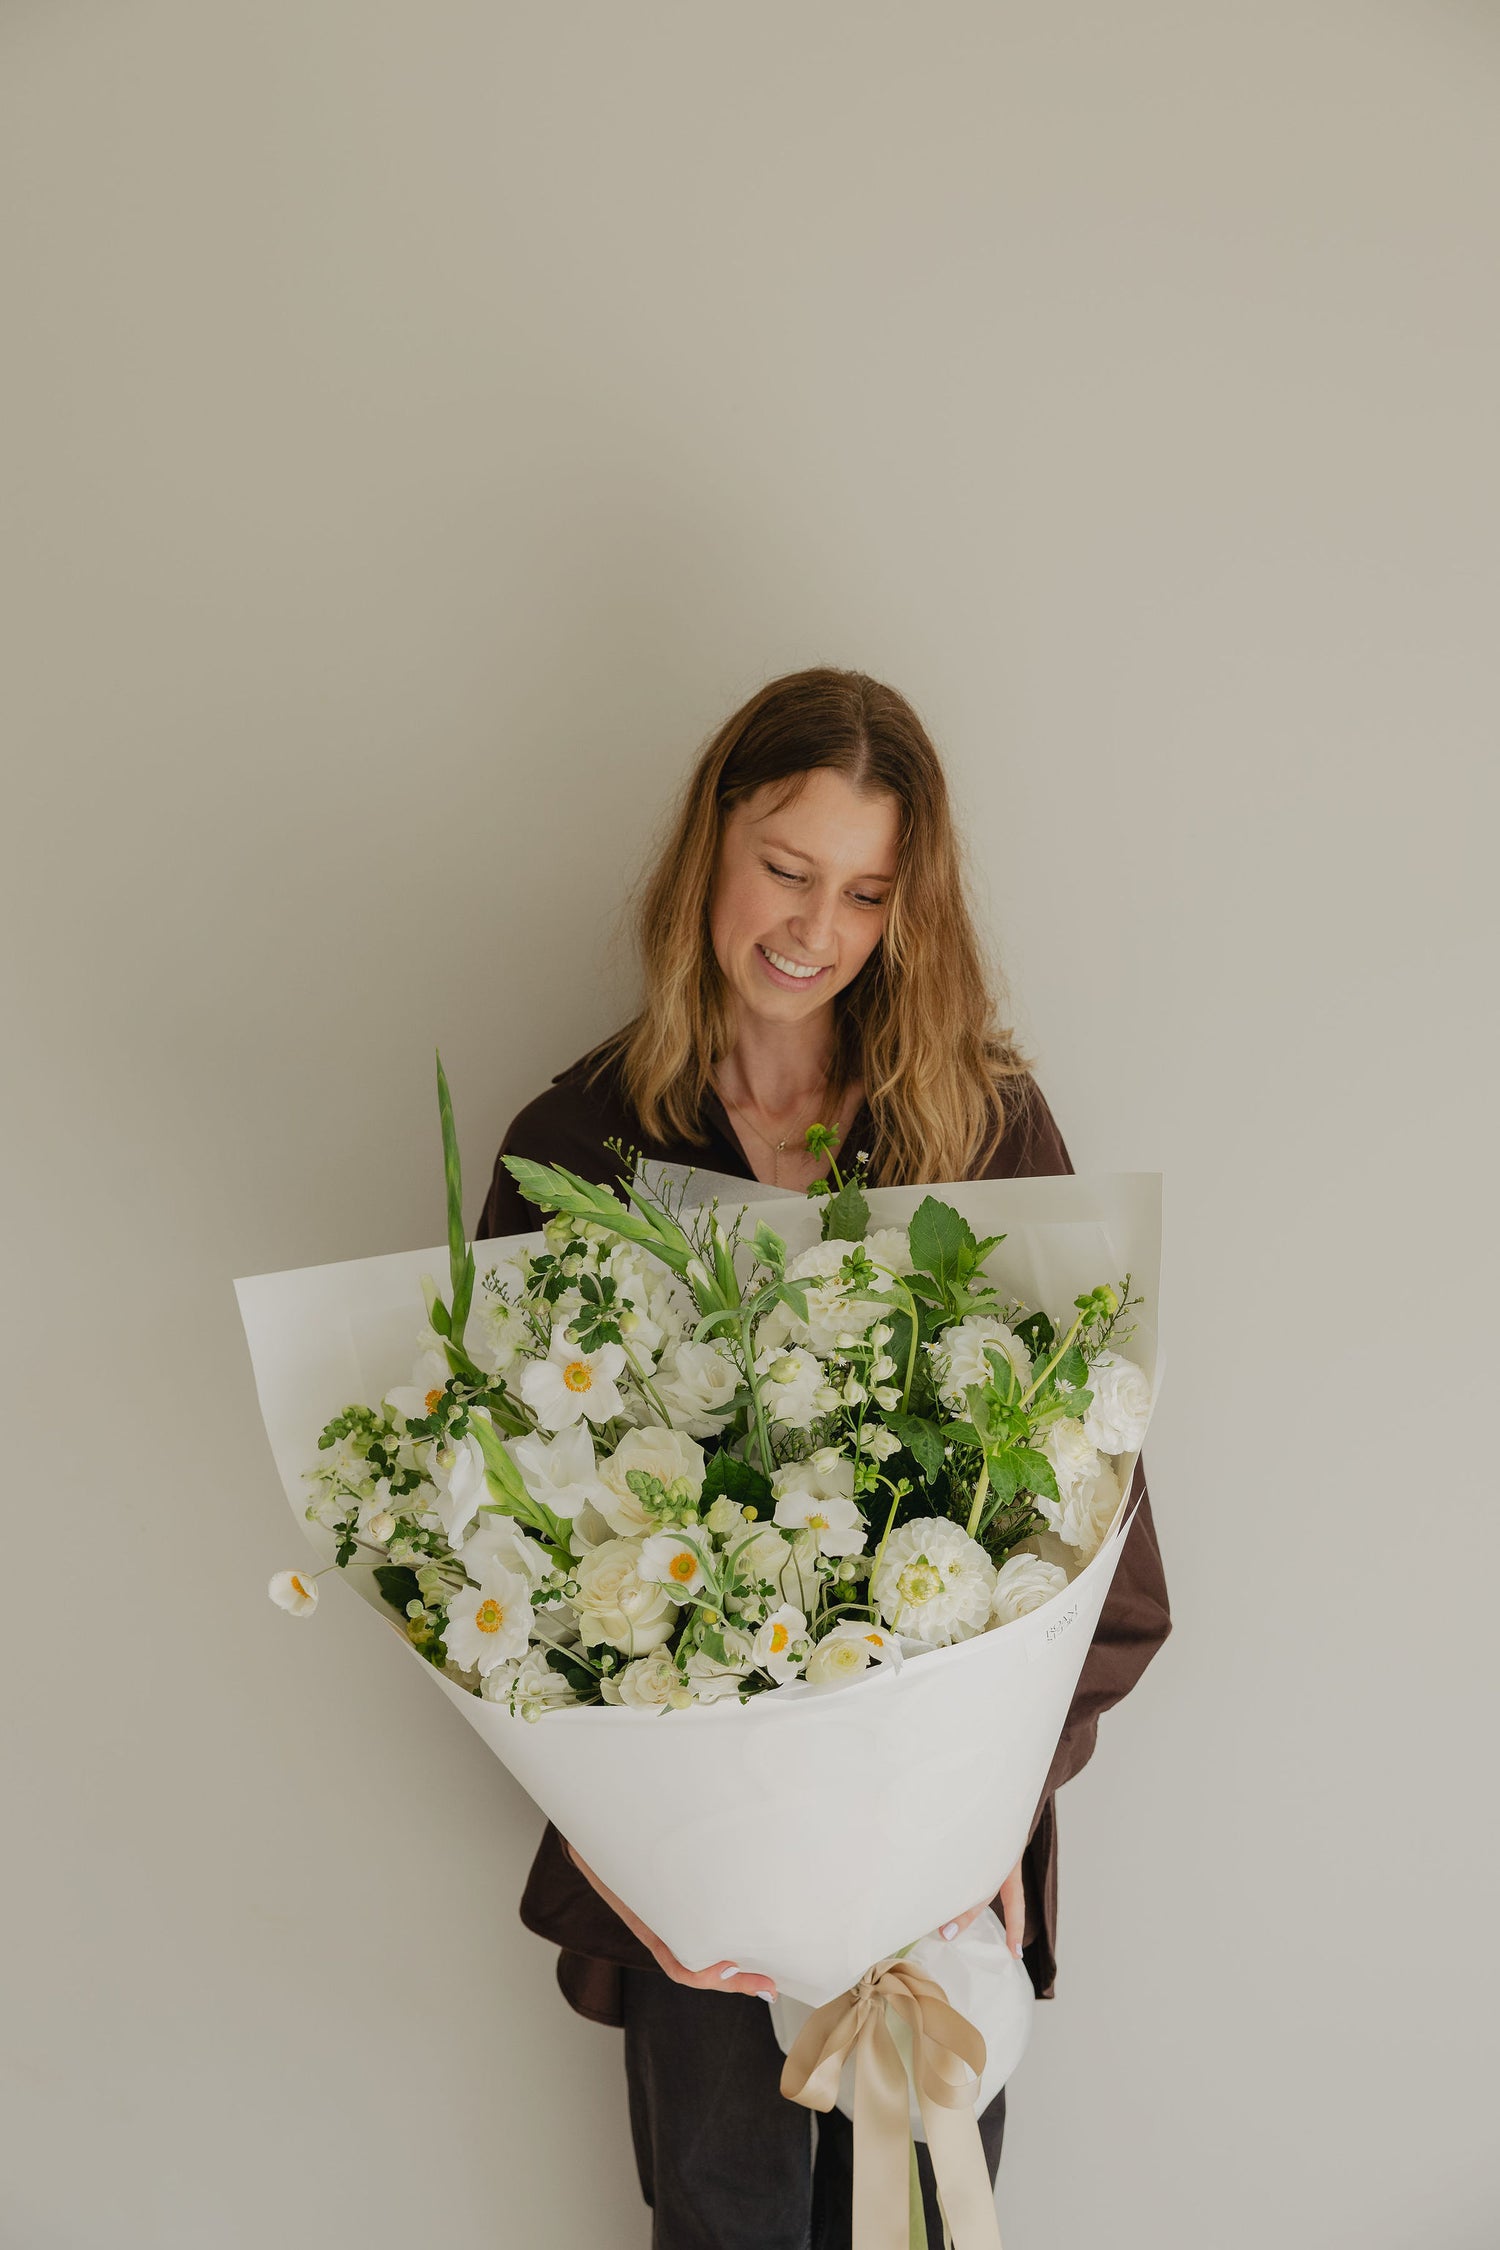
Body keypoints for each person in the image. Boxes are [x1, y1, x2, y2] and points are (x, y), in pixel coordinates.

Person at [477, 666, 1172, 2250]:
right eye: (787, 868)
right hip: (683, 1879)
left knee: (915, 2219)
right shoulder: (575, 1147)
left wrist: (990, 1815)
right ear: (710, 848)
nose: (816, 928)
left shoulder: (980, 1132)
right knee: (723, 2223)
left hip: (933, 1877)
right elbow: (503, 1559)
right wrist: (627, 1841)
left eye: (866, 891)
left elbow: (1102, 1539)